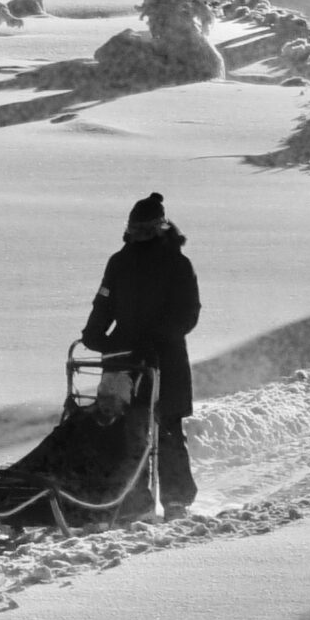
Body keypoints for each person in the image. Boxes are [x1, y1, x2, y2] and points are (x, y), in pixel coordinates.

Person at [80, 192, 201, 522]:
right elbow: (104, 301)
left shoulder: (177, 264)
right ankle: (135, 502)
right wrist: (94, 333)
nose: (139, 236)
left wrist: (159, 336)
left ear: (160, 228)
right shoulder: (119, 262)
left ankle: (176, 500)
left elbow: (189, 313)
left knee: (167, 430)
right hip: (123, 360)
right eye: (134, 230)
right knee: (126, 429)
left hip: (166, 360)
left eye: (145, 230)